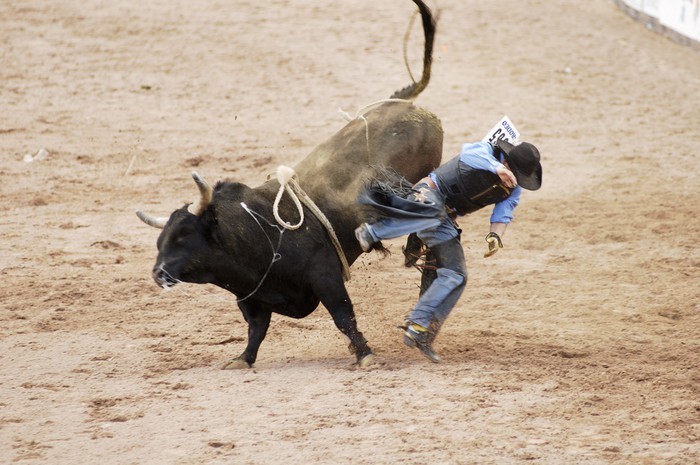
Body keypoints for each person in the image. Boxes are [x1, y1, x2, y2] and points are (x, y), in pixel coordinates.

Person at [355, 138, 542, 362]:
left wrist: (495, 236)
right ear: (507, 162)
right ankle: (371, 232)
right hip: (427, 196)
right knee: (433, 214)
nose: (516, 181)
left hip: (443, 219)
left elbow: (504, 212)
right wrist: (497, 169)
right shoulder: (486, 152)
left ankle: (421, 328)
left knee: (457, 275)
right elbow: (468, 154)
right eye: (515, 173)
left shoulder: (513, 189)